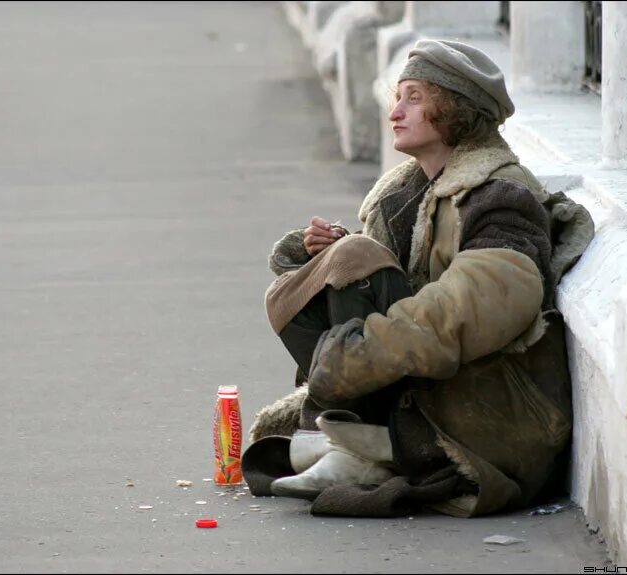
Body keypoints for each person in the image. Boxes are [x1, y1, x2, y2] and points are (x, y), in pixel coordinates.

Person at [240, 39, 595, 518]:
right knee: (302, 286)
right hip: (424, 388)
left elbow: (476, 305)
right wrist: (325, 253)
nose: (395, 113)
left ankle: (360, 444)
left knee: (356, 259)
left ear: (454, 110)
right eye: (397, 97)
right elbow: (397, 278)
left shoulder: (502, 196)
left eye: (414, 98)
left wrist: (365, 347)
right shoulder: (404, 194)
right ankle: (356, 440)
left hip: (485, 413)